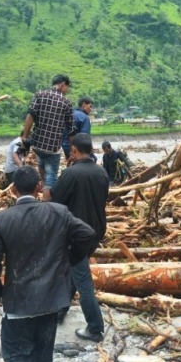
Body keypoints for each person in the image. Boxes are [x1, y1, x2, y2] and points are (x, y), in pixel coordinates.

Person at [0, 166, 94, 362]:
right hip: (51, 301)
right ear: (39, 187)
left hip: (18, 302)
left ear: (13, 189)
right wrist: (70, 259)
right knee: (43, 356)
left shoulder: (2, 219)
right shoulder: (58, 212)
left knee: (16, 356)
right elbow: (87, 234)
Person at [51, 133, 109, 342]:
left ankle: (95, 327)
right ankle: (60, 309)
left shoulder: (71, 174)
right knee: (73, 269)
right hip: (96, 231)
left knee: (82, 278)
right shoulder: (101, 172)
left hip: (76, 234)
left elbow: (54, 199)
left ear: (74, 150)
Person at [21, 74, 75, 200]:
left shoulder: (40, 95)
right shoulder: (66, 103)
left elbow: (30, 116)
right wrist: (72, 150)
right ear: (62, 85)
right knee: (51, 179)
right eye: (67, 87)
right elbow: (71, 130)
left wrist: (24, 137)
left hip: (37, 144)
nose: (67, 91)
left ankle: (44, 190)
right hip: (53, 148)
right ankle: (47, 205)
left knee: (42, 165)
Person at [62, 97, 93, 162]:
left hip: (65, 147)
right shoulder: (84, 118)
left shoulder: (69, 114)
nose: (91, 109)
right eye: (90, 106)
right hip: (79, 150)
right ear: (84, 105)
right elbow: (84, 137)